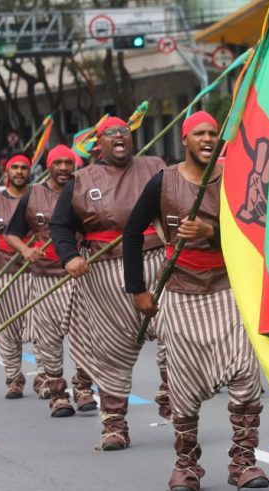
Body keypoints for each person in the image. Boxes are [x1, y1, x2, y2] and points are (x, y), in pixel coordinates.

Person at [123, 111, 269, 491]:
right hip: (180, 292)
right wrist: (137, 289)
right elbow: (132, 233)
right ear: (185, 139)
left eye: (213, 133)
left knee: (246, 377)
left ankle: (243, 463)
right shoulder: (163, 182)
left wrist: (212, 230)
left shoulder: (236, 178)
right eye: (199, 133)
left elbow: (256, 232)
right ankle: (186, 467)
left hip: (228, 289)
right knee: (183, 386)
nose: (207, 139)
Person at [50, 116, 170, 450]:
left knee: (177, 331)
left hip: (156, 261)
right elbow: (60, 226)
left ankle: (171, 391)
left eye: (124, 132)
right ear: (98, 143)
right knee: (112, 350)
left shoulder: (156, 167)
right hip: (105, 272)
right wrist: (69, 256)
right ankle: (114, 424)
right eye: (110, 133)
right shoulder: (82, 179)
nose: (119, 137)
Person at [4, 145, 96, 417]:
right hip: (45, 277)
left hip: (80, 275)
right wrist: (25, 250)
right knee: (49, 339)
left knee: (85, 336)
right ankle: (58, 394)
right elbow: (12, 233)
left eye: (70, 162)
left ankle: (83, 387)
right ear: (49, 166)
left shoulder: (83, 191)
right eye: (59, 163)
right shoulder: (32, 195)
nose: (65, 167)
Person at [0, 154, 48, 400]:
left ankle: (44, 377)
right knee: (8, 330)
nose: (19, 171)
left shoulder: (40, 196)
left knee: (42, 328)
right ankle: (14, 379)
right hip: (6, 274)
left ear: (30, 171)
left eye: (23, 168)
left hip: (39, 272)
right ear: (7, 172)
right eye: (14, 167)